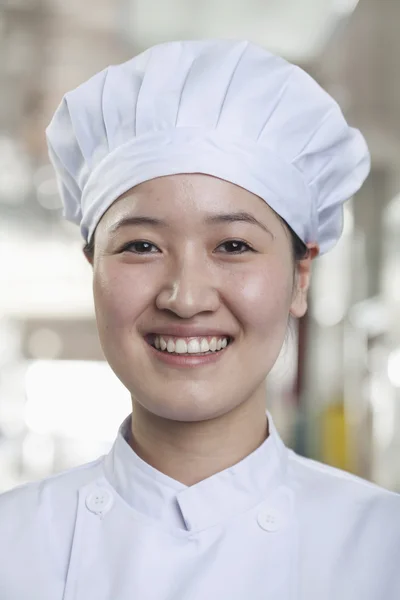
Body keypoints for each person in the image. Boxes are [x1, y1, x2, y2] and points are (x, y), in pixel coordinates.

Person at [0, 39, 399, 600]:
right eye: (141, 246)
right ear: (93, 269)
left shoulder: (384, 549)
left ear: (300, 277)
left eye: (233, 245)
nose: (185, 297)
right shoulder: (10, 546)